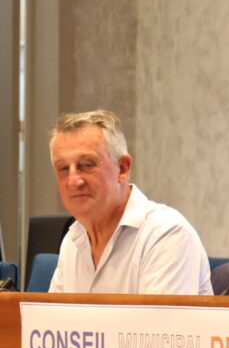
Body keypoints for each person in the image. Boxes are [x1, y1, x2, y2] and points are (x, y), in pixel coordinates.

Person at [48, 110, 212, 295]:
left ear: (122, 168)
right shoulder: (72, 240)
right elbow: (51, 314)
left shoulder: (166, 234)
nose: (73, 181)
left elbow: (158, 315)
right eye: (63, 168)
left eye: (87, 165)